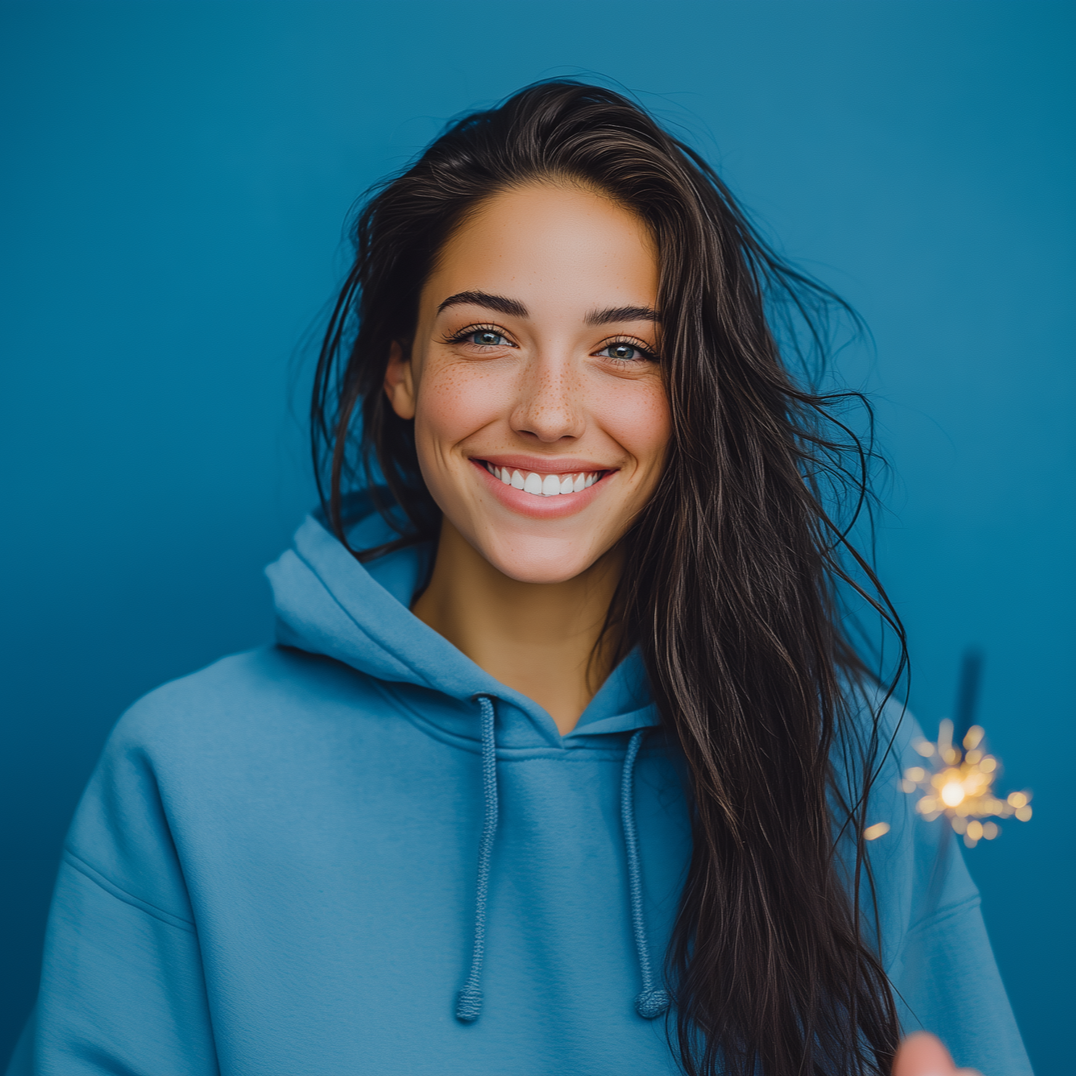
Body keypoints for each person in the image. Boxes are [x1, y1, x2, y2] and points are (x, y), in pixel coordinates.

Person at [7, 82, 1031, 1076]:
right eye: (486, 336)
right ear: (401, 369)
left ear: (691, 397)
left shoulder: (856, 765)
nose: (548, 412)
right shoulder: (184, 773)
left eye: (623, 349)